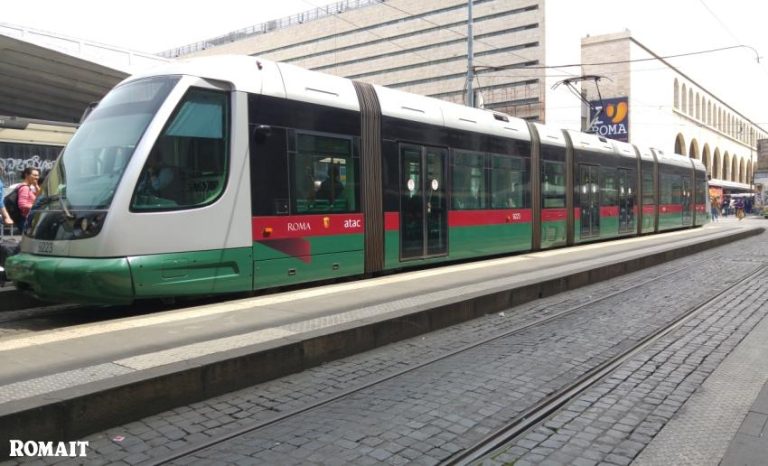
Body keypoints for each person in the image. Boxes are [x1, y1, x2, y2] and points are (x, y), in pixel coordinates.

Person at [17, 167, 40, 232]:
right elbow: (22, 205)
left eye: (38, 175)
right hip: (25, 220)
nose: (37, 177)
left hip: (27, 219)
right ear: (26, 175)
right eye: (35, 175)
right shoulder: (25, 188)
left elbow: (40, 196)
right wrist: (36, 206)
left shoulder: (28, 187)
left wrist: (36, 186)